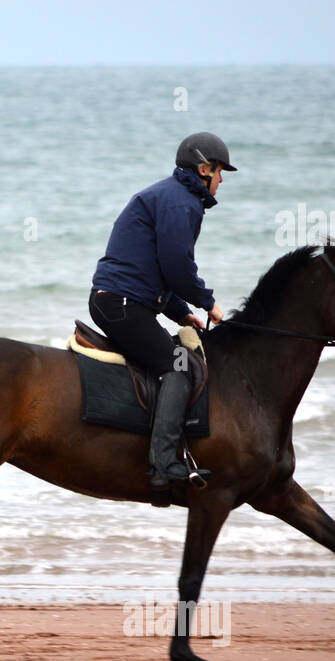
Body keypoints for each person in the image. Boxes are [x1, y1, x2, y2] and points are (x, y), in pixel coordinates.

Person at [89, 132, 236, 495]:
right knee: (177, 367)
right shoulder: (181, 203)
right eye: (220, 171)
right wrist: (207, 302)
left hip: (122, 301)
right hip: (122, 305)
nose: (222, 179)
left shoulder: (173, 197)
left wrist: (181, 313)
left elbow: (155, 269)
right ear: (204, 169)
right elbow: (176, 267)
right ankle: (163, 463)